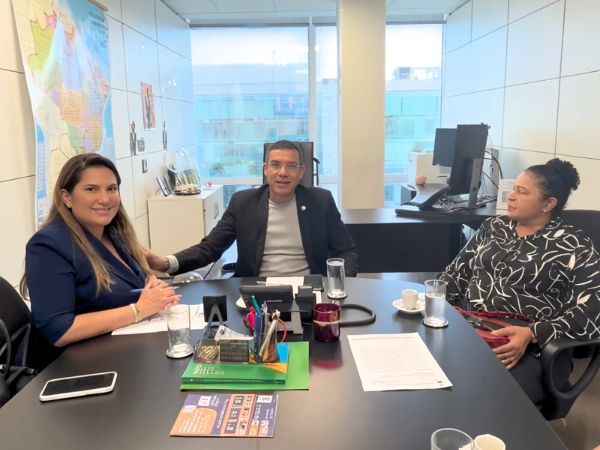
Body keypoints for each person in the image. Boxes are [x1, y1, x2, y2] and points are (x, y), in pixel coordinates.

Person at [440, 158, 600, 403]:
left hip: (529, 348)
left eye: (522, 192)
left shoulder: (573, 245)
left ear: (548, 203)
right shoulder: (494, 227)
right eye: (513, 188)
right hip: (472, 329)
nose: (511, 197)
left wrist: (532, 333)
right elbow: (455, 275)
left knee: (479, 397)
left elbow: (592, 311)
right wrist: (430, 302)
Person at [25, 154, 180, 347]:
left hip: (124, 344)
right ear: (67, 197)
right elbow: (58, 330)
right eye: (91, 189)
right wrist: (139, 309)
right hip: (75, 359)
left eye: (111, 189)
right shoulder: (48, 245)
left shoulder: (111, 233)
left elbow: (121, 291)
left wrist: (151, 290)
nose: (105, 199)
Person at [145, 140, 359, 277]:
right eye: (275, 165)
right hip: (256, 294)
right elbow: (210, 248)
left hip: (309, 291)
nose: (283, 172)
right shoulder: (243, 203)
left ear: (301, 171)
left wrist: (338, 286)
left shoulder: (321, 201)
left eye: (291, 166)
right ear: (265, 169)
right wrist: (166, 263)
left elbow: (347, 251)